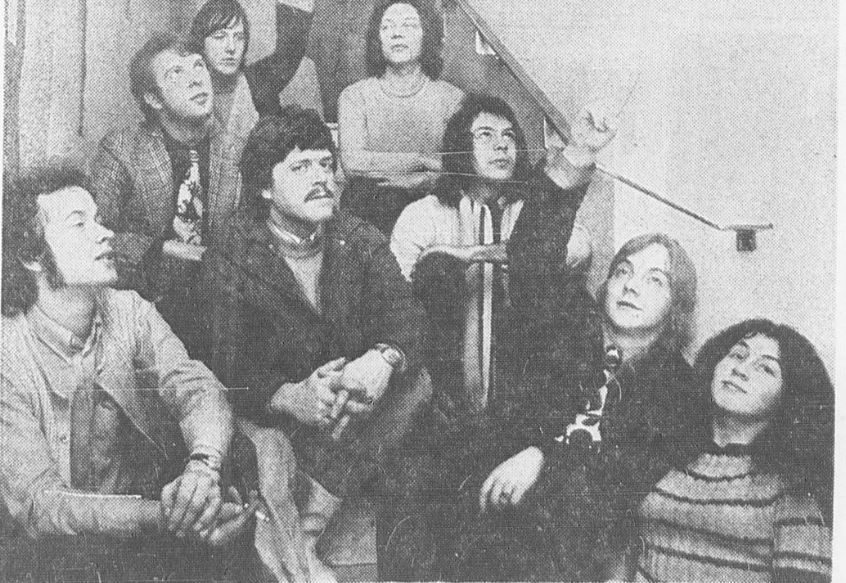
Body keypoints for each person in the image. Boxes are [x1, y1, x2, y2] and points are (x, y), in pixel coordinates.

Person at [379, 233, 700, 581]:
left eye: (655, 280)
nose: (631, 287)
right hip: (501, 485)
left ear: (676, 304)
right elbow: (510, 419)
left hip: (571, 520)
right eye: (623, 271)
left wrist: (543, 456)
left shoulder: (678, 386)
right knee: (421, 467)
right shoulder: (564, 337)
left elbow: (627, 471)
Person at [203, 105, 431, 580]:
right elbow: (221, 359)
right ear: (265, 188)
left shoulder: (358, 238)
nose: (321, 178)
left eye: (326, 164)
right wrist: (287, 395)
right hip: (276, 416)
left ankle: (306, 529)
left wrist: (382, 359)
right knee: (257, 442)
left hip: (346, 406)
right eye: (300, 167)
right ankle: (286, 527)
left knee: (416, 384)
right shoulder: (232, 250)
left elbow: (408, 316)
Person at [0, 167, 259, 581]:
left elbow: (196, 388)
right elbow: (40, 504)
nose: (105, 234)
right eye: (79, 224)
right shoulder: (7, 353)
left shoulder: (130, 310)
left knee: (240, 467)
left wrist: (202, 470)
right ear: (31, 256)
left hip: (143, 539)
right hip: (50, 557)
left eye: (99, 219)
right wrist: (166, 516)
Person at [389, 93, 596, 419]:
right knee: (436, 268)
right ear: (461, 147)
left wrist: (473, 253)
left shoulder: (530, 210)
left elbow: (579, 248)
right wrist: (446, 262)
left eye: (509, 136)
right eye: (485, 135)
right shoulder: (423, 214)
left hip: (521, 385)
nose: (502, 145)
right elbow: (393, 300)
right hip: (441, 388)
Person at [632, 319, 833, 582]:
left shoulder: (792, 488)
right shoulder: (667, 454)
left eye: (765, 368)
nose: (740, 369)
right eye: (737, 355)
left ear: (790, 396)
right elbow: (625, 548)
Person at [90, 33, 243, 357]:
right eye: (176, 72)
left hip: (223, 312)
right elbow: (95, 235)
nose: (196, 79)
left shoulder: (237, 151)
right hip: (145, 308)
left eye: (199, 65)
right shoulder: (123, 149)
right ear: (153, 98)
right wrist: (163, 249)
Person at [338, 0, 464, 234]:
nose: (396, 34)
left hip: (434, 213)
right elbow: (353, 164)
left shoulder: (452, 98)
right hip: (369, 213)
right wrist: (421, 161)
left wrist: (419, 181)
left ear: (427, 35)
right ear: (377, 39)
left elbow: (458, 168)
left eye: (408, 25)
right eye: (387, 27)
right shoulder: (355, 96)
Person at [189, 0, 322, 144]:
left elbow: (290, 50)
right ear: (201, 43)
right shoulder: (188, 87)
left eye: (239, 37)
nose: (231, 47)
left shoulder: (257, 80)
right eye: (220, 37)